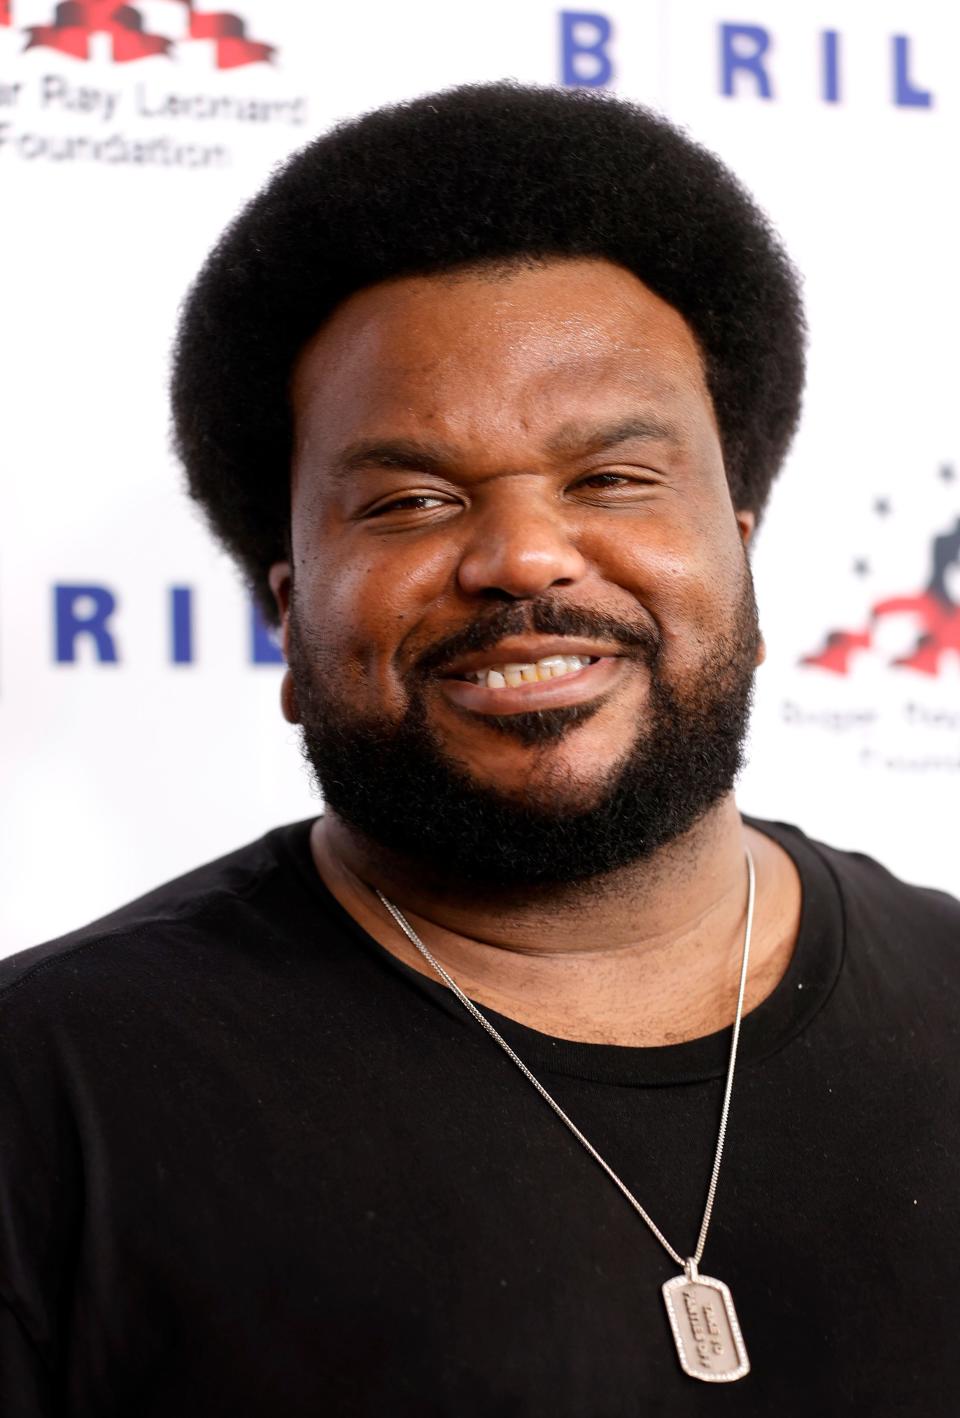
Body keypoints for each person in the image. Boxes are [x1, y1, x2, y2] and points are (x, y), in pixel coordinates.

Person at [1, 82, 957, 1417]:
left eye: (612, 478)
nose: (521, 556)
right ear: (289, 614)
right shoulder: (44, 1091)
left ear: (740, 552)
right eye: (409, 499)